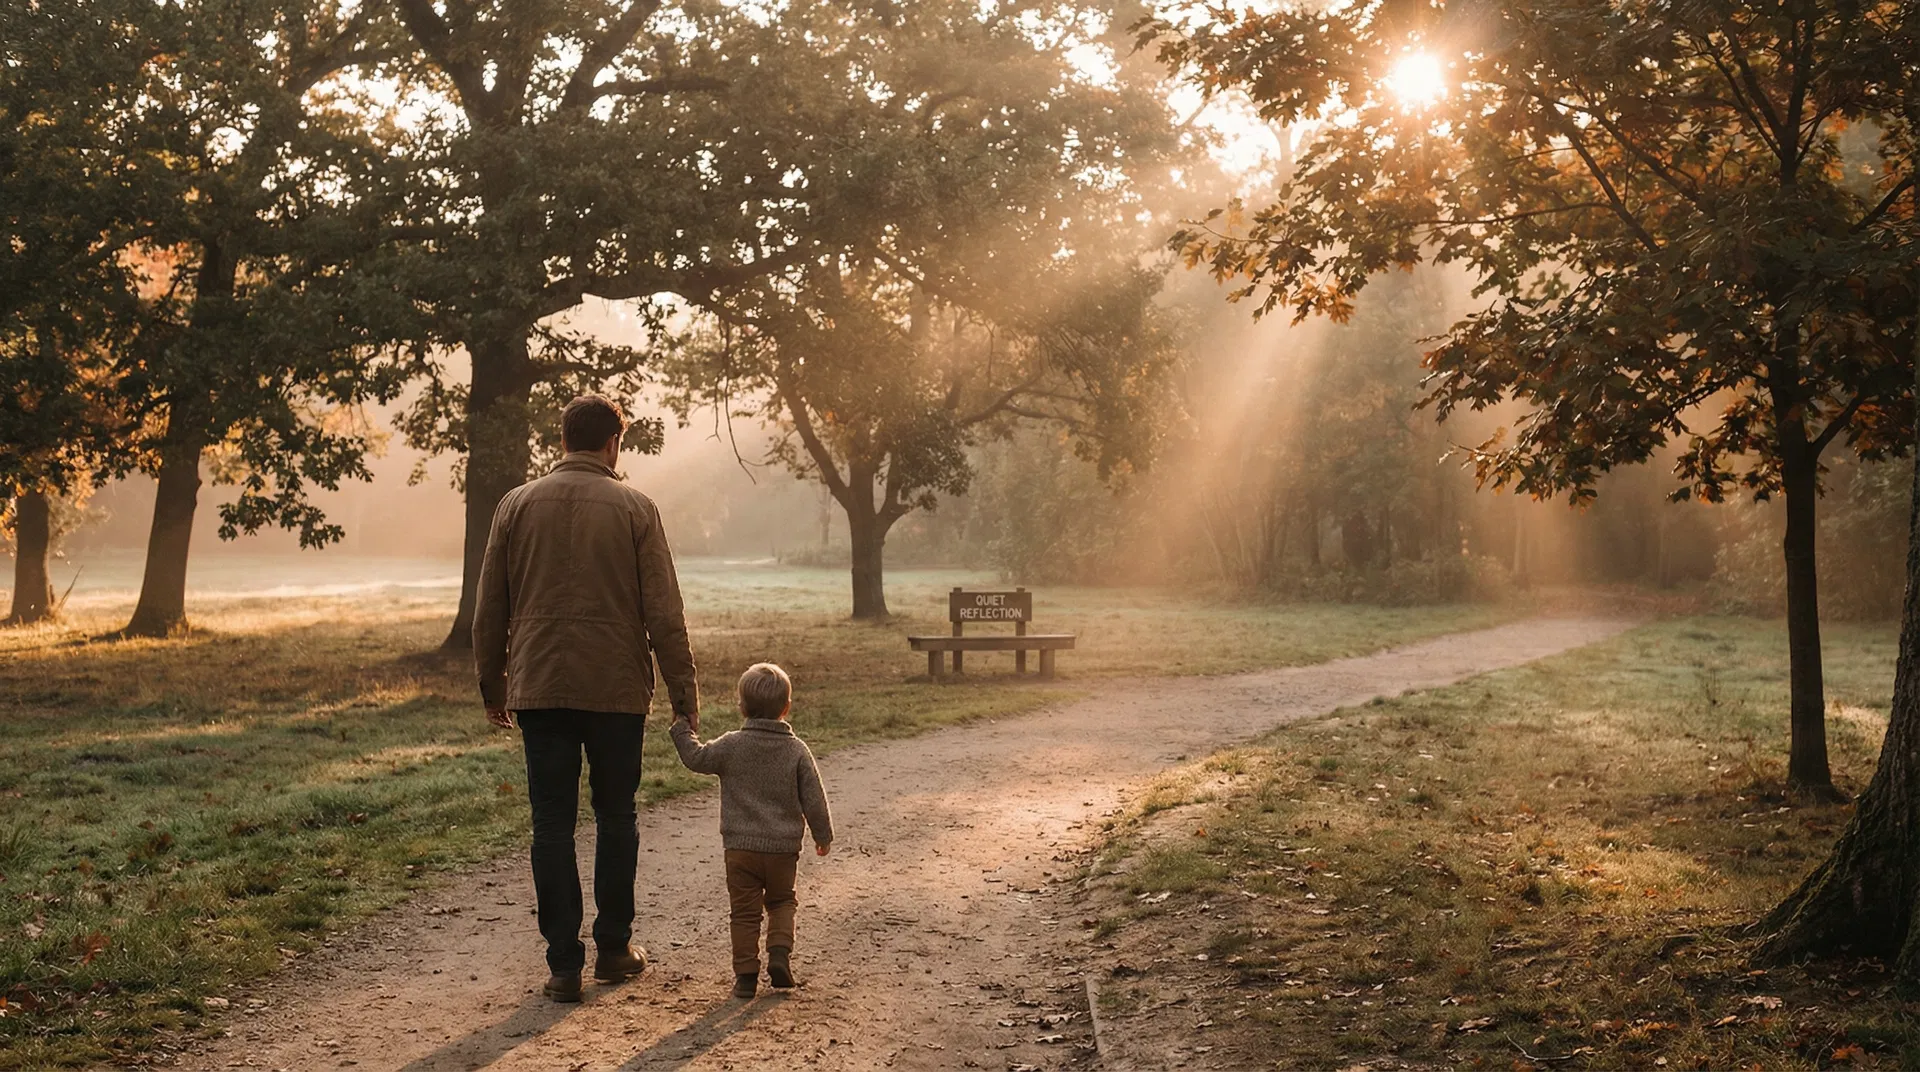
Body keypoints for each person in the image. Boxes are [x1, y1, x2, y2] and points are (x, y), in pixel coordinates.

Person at [474, 394, 699, 1003]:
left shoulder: (515, 505)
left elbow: (490, 605)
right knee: (616, 814)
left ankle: (563, 964)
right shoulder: (636, 508)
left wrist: (494, 685)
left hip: (540, 685)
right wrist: (684, 692)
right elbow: (664, 610)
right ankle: (615, 948)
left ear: (564, 439)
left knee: (551, 821)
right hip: (617, 688)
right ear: (612, 444)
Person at [670, 663, 834, 999]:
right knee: (782, 901)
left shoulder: (732, 745)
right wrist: (822, 835)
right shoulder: (796, 750)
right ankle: (778, 953)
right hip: (783, 850)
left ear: (742, 707)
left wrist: (682, 730)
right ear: (786, 708)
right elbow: (814, 798)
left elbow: (697, 759)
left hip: (740, 849)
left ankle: (745, 975)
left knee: (744, 913)